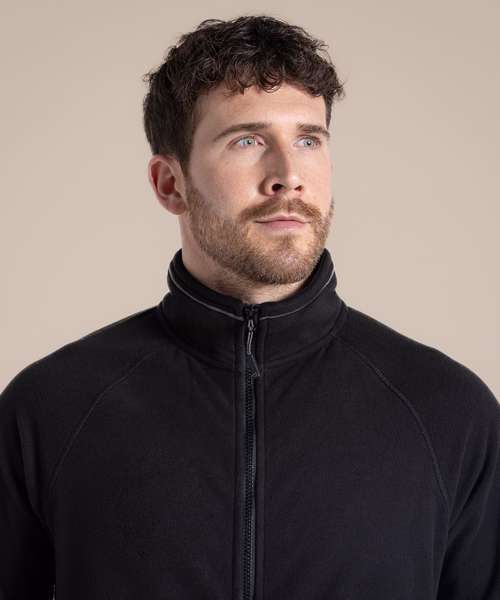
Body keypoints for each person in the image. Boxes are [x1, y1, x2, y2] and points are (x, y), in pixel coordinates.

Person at [1, 14, 499, 600]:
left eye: (309, 140)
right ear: (169, 184)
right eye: (248, 141)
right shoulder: (49, 411)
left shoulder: (449, 413)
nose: (288, 177)